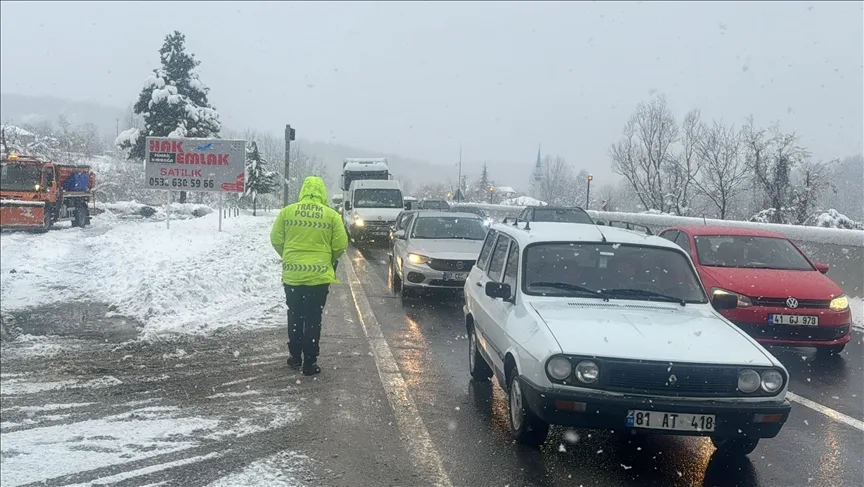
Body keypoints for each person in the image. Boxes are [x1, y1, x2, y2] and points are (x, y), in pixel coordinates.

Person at [270, 176, 348, 376]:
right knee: (313, 318)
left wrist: (288, 256)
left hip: (293, 276)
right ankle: (310, 363)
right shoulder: (331, 216)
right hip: (318, 277)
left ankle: (295, 356)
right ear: (323, 192)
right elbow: (340, 245)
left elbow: (276, 239)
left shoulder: (287, 212)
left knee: (295, 314)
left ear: (303, 190)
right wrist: (328, 259)